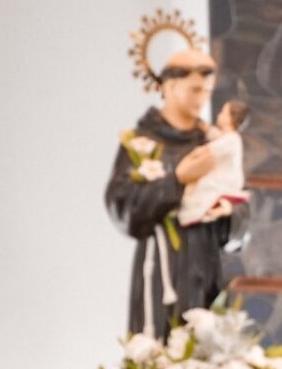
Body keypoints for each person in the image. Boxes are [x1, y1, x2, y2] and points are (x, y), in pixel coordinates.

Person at [105, 47, 245, 339]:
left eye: (206, 89)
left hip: (207, 263)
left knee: (209, 350)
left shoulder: (213, 143)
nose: (202, 98)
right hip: (160, 267)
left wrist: (232, 213)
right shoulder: (141, 144)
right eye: (194, 89)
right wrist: (177, 180)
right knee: (160, 347)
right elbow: (123, 209)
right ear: (169, 86)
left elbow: (238, 213)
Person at [179, 99, 250, 228]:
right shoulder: (227, 137)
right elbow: (212, 133)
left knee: (199, 188)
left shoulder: (232, 138)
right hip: (222, 181)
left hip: (224, 183)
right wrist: (199, 123)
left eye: (223, 112)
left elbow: (208, 150)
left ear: (230, 118)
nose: (219, 114)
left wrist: (195, 153)